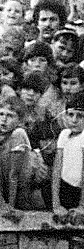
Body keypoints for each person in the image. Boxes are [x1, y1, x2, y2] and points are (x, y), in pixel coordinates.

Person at [0, 97, 43, 220]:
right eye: (1, 114)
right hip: (6, 188)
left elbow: (14, 174)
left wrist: (10, 206)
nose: (3, 119)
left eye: (10, 116)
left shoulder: (18, 134)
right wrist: (1, 202)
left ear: (20, 120)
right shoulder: (3, 137)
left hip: (22, 192)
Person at [52, 93, 84, 224]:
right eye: (71, 115)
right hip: (65, 189)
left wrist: (82, 206)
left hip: (79, 191)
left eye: (80, 116)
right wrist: (56, 204)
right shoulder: (64, 134)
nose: (74, 120)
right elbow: (57, 169)